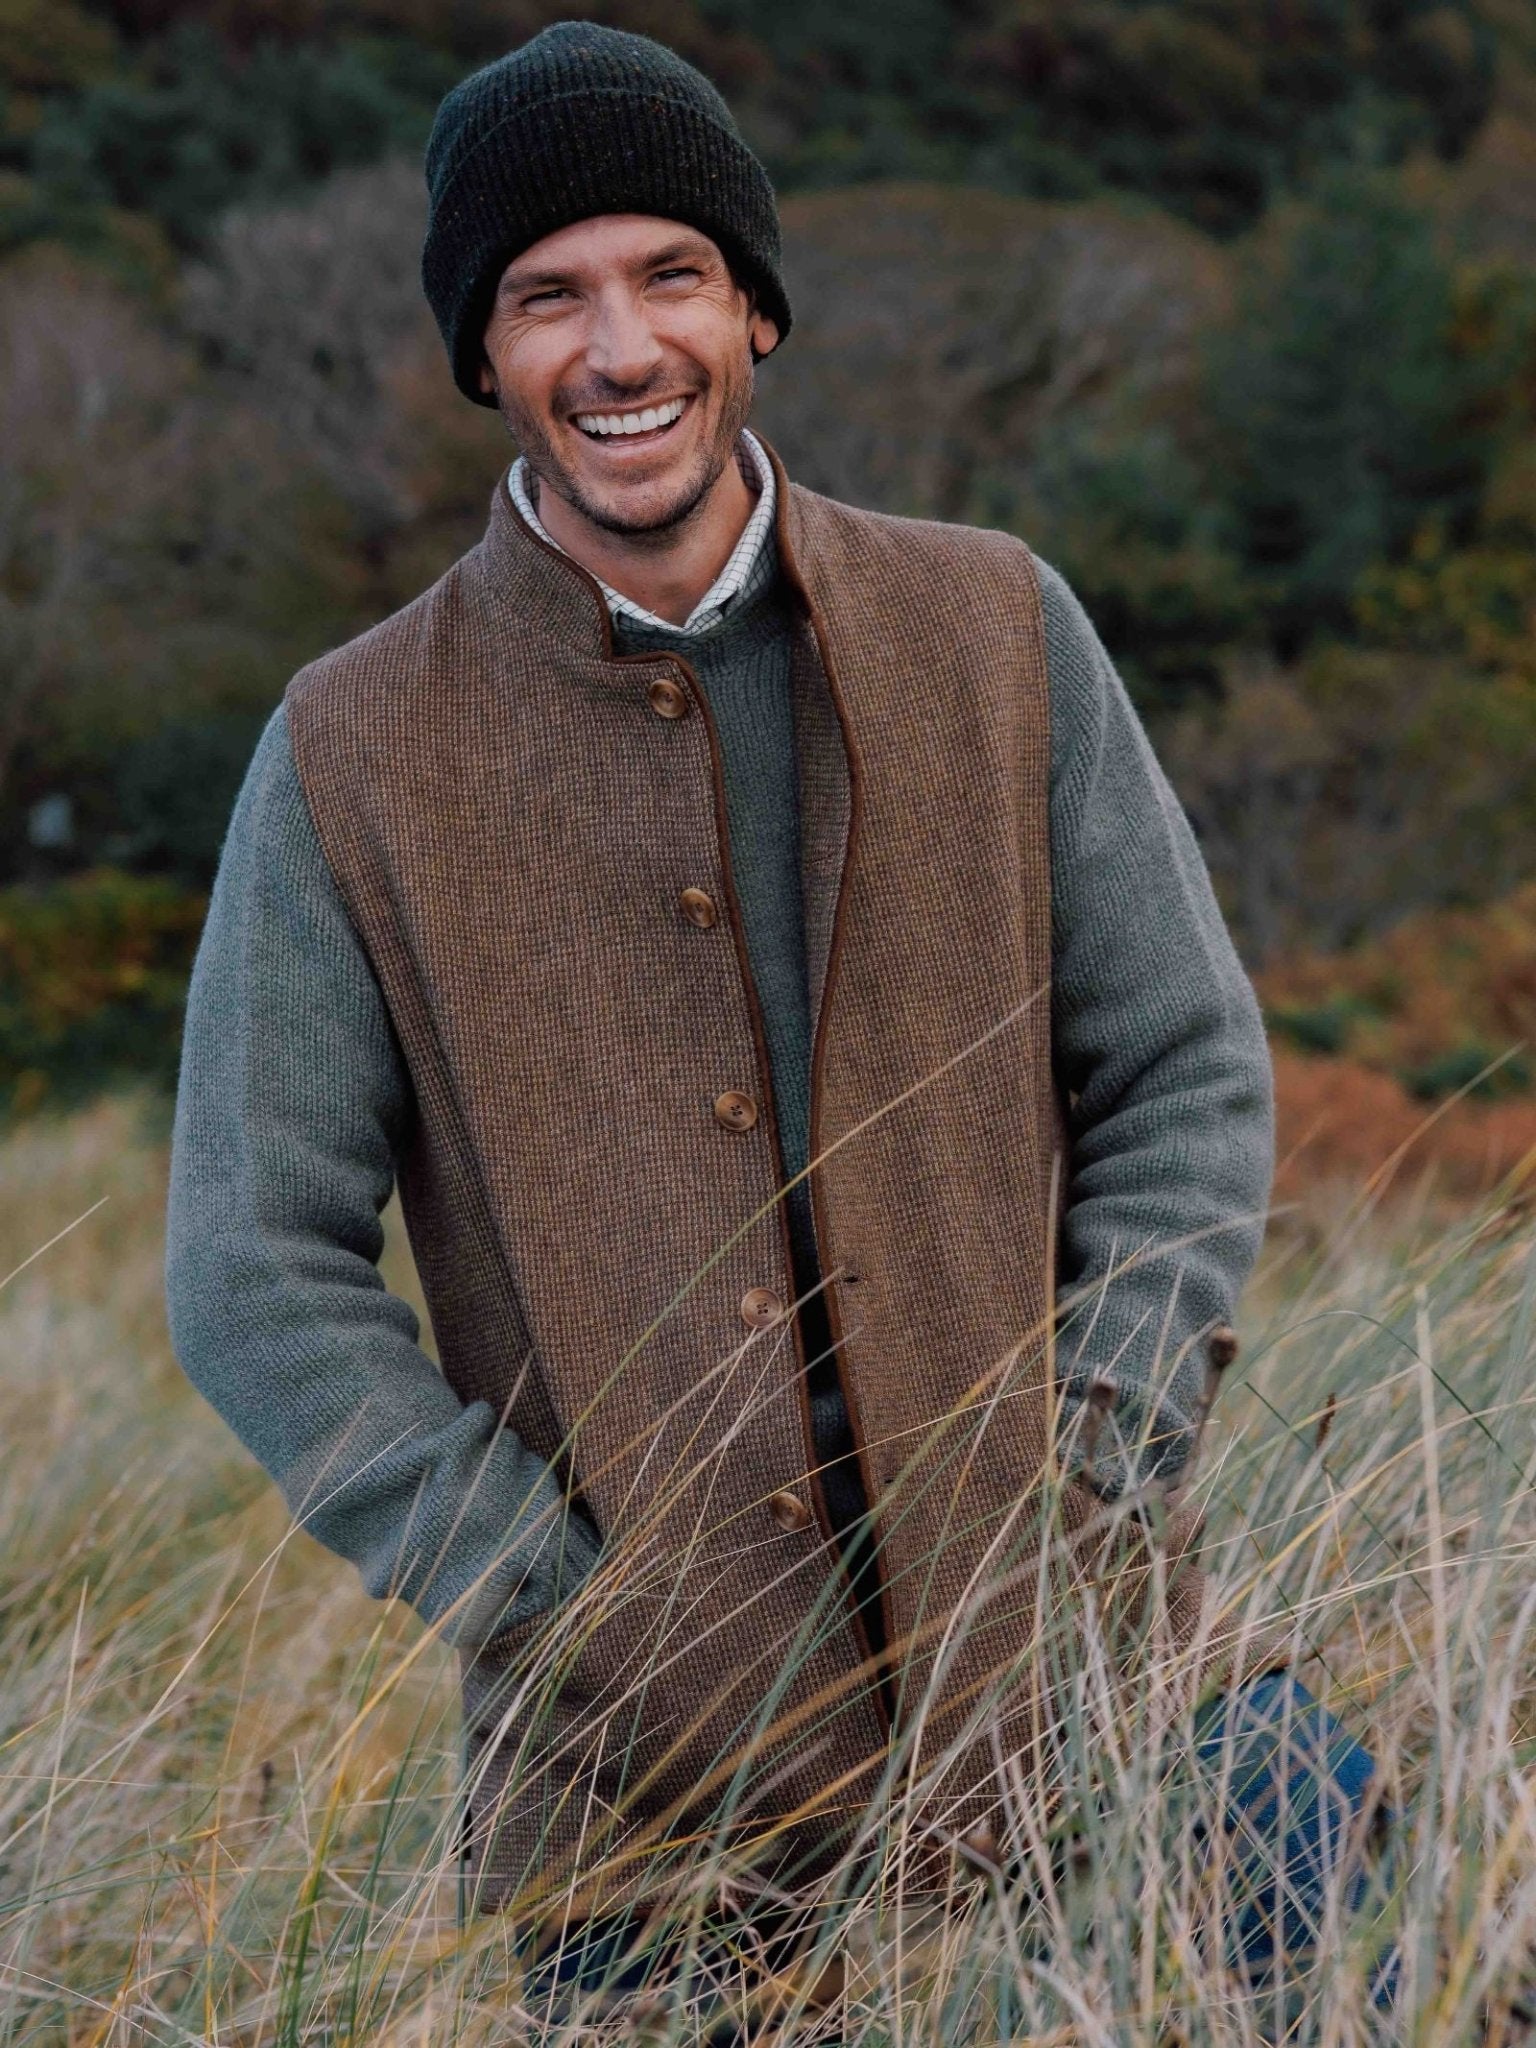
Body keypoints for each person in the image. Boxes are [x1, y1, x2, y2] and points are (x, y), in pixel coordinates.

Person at [164, 19, 1395, 2025]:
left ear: (754, 309)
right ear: (489, 355)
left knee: (1359, 1930)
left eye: (668, 275)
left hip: (1080, 1641)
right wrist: (549, 1605)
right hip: (641, 1768)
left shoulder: (997, 626)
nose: (618, 346)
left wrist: (1089, 1450)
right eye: (548, 297)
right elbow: (248, 1264)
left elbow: (1181, 1063)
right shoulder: (346, 751)